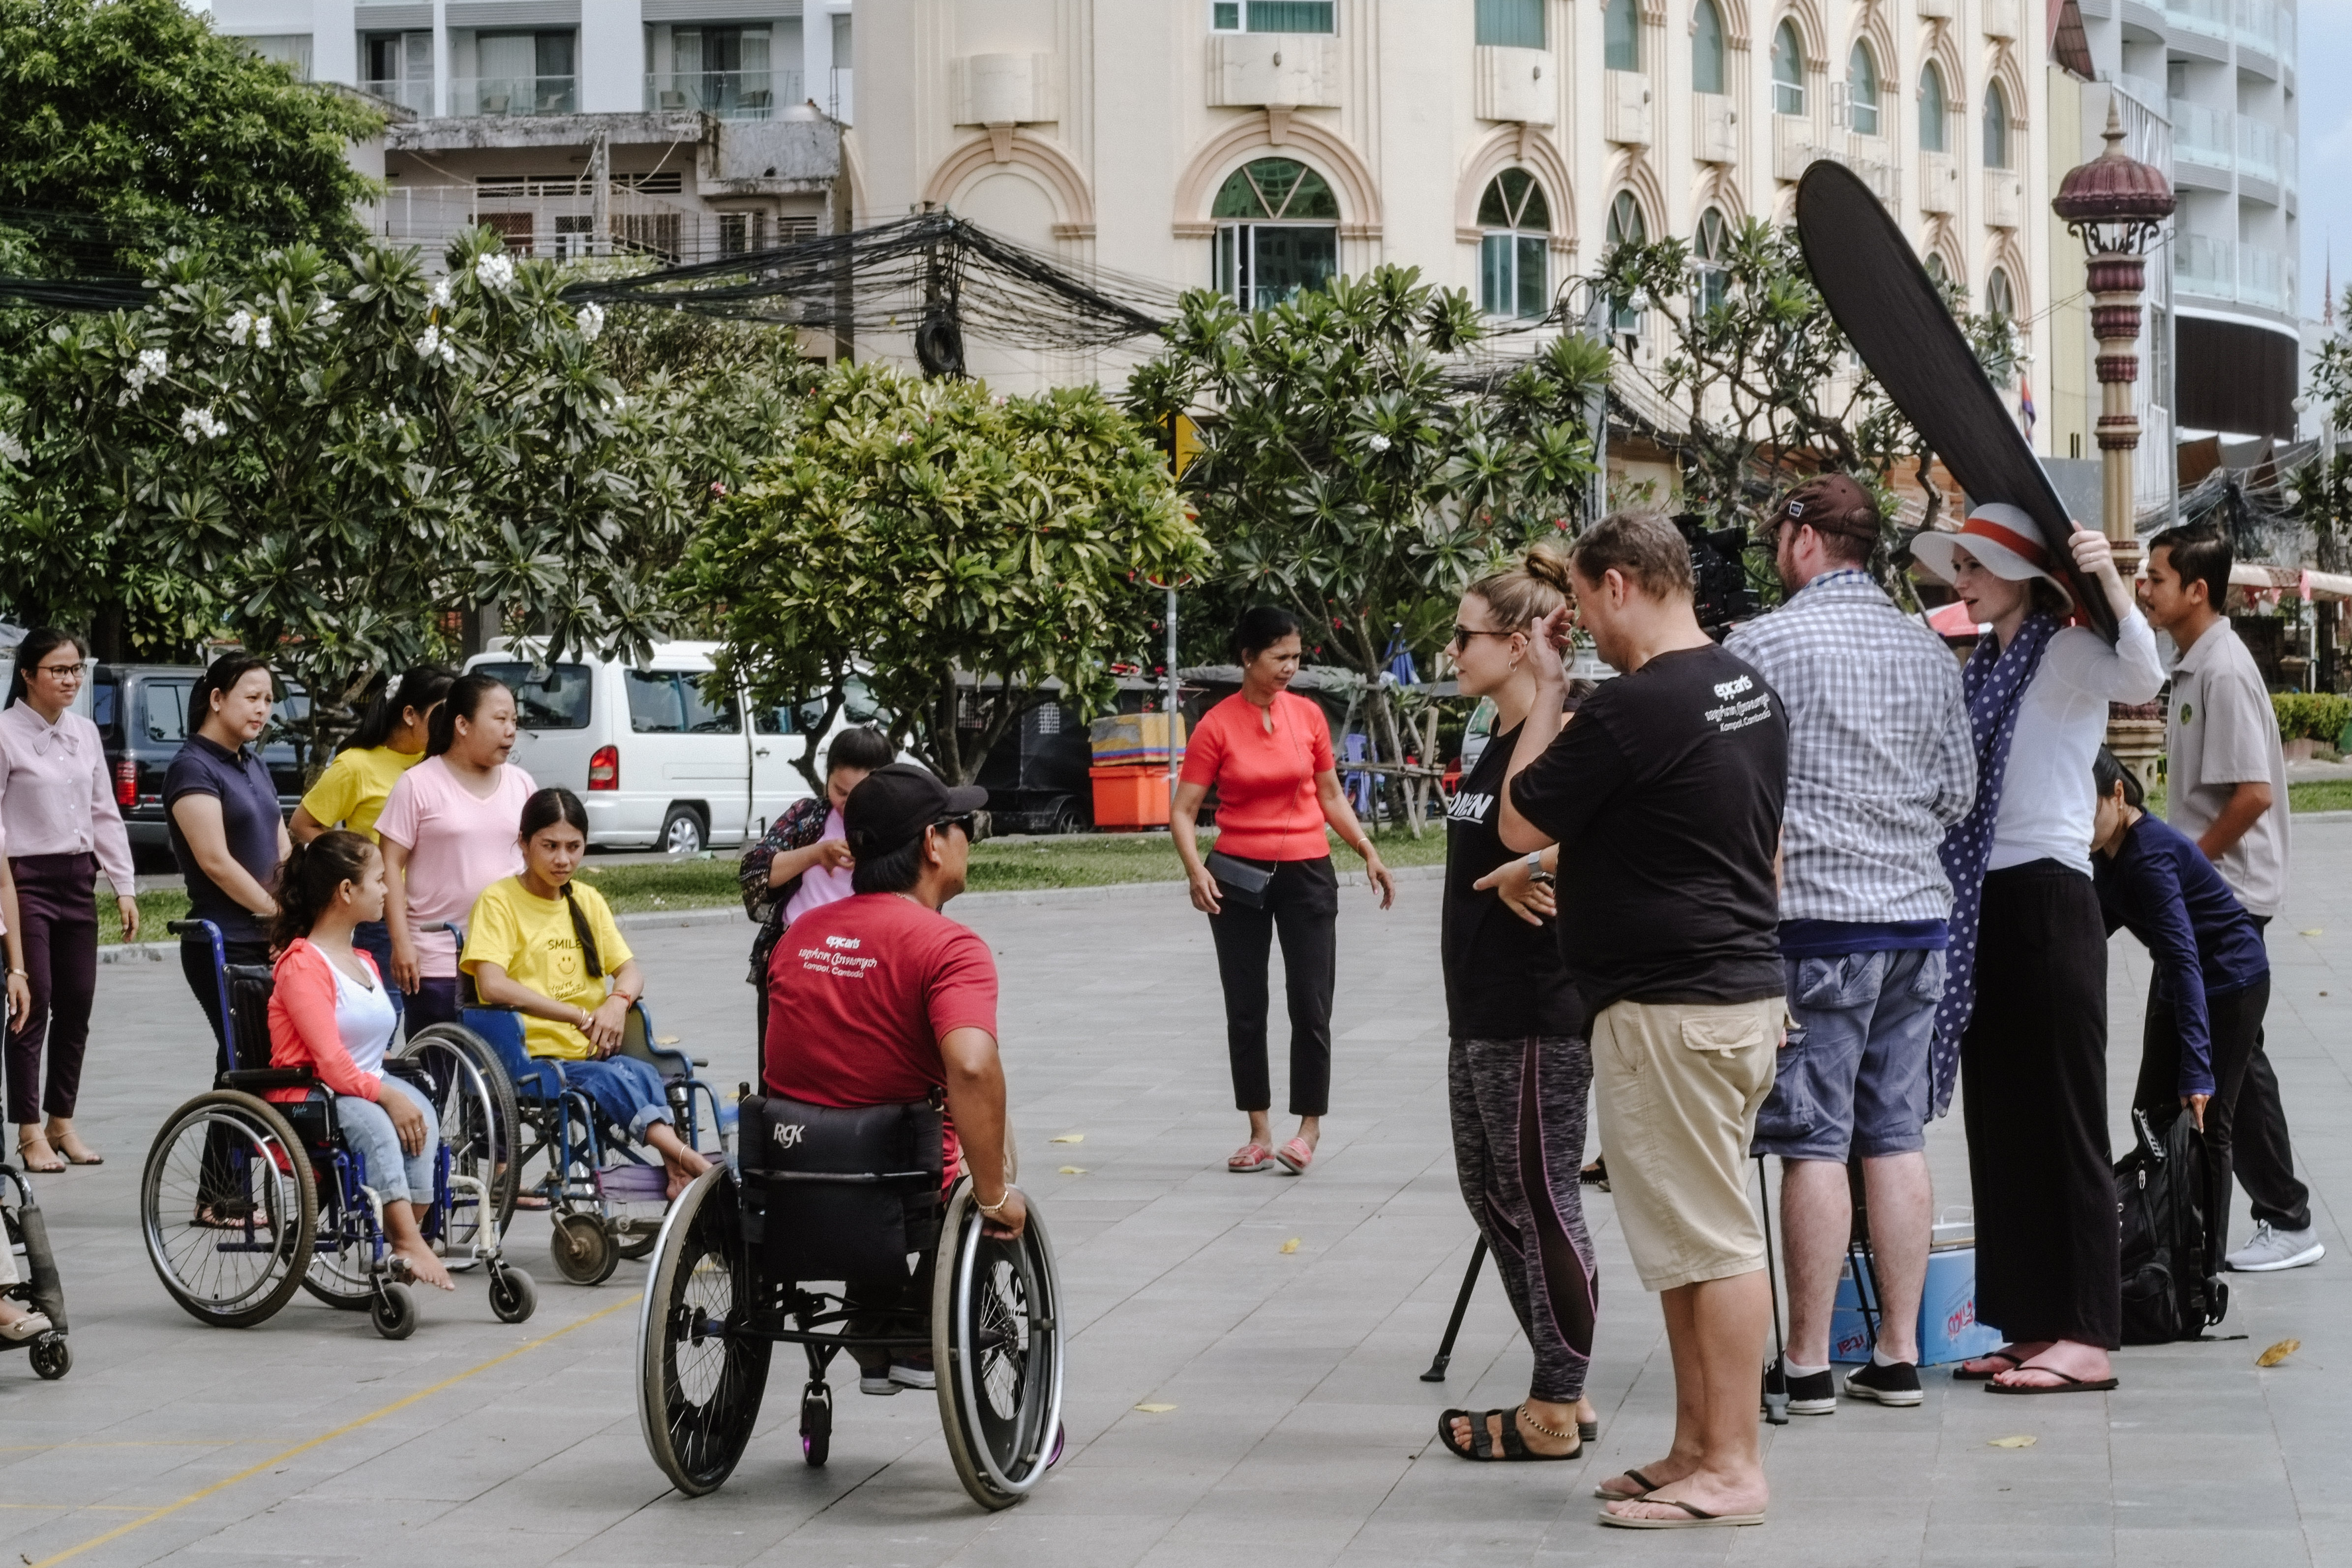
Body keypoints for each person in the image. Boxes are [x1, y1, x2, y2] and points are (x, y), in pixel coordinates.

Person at [1499, 511, 1789, 1530]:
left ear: (1619, 584)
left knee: (1713, 1242)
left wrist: (1543, 695)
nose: (1579, 624)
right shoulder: (1745, 685)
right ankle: (1697, 1444)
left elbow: (1522, 814)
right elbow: (1744, 843)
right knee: (1683, 1240)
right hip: (1729, 990)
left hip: (1677, 1007)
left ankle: (1736, 1468)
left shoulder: (1636, 708)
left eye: (1579, 603)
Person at [1721, 475, 1976, 1414]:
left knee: (1812, 1142)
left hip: (1817, 922)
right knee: (1895, 1132)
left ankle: (1805, 1361)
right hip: (1917, 919)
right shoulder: (1926, 648)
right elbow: (1957, 792)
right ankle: (1900, 1353)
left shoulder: (1762, 646)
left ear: (1802, 540)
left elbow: (1730, 784)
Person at [1909, 503, 2164, 1393]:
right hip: (1986, 900)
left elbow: (2144, 667)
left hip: (2049, 898)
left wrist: (2107, 578)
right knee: (2002, 1114)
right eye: (1959, 565)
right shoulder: (1989, 660)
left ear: (2023, 574)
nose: (1962, 578)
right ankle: (2026, 1319)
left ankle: (2085, 1331)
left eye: (1976, 564)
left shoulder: (2060, 648)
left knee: (2061, 1116)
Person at [762, 762, 1025, 1395]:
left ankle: (878, 1325)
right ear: (933, 843)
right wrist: (994, 1195)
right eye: (961, 826)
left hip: (789, 1166)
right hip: (898, 1178)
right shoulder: (949, 947)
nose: (967, 839)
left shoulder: (798, 935)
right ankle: (908, 1329)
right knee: (980, 1146)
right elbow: (969, 1063)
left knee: (876, 1118)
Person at [1428, 545, 1601, 1464]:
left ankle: (1557, 1401)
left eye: (1465, 635)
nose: (1451, 650)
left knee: (1540, 1199)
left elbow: (1625, 830)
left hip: (1538, 1005)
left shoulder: (1568, 728)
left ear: (1513, 641)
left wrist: (1531, 865)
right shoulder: (1498, 736)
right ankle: (1559, 1371)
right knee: (1490, 1193)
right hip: (1480, 1006)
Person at [2141, 522, 2322, 1273]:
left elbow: (2250, 794)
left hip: (2226, 897)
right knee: (2236, 1054)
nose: (2144, 590)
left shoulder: (2220, 671)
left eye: (2154, 579)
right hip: (2215, 894)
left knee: (2199, 1062)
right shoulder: (2193, 664)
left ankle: (2258, 1220)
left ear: (2196, 590)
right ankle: (2283, 1215)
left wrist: (2188, 866)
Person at [1170, 606, 1397, 1177]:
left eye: (1296, 657)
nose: (1290, 668)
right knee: (1246, 1007)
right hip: (1237, 876)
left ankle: (1308, 1130)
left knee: (1312, 1003)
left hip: (1308, 874)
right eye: (1279, 658)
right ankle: (1259, 1131)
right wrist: (1197, 869)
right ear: (1248, 657)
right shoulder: (1215, 725)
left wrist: (1367, 850)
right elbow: (1184, 810)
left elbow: (1330, 794)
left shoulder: (1310, 716)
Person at [461, 787, 710, 1198]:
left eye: (574, 847)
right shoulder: (499, 901)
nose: (563, 859)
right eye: (550, 846)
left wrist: (617, 1002)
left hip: (592, 1050)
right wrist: (574, 1015)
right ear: (523, 844)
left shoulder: (587, 900)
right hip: (534, 1058)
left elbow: (629, 970)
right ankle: (686, 1158)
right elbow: (492, 984)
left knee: (646, 1072)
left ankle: (676, 1167)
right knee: (610, 1079)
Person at [2088, 747, 2270, 1285]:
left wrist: (2197, 1068)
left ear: (2118, 795)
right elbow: (2092, 930)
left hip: (2231, 979)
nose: (2079, 823)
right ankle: (2156, 1239)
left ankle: (2201, 1268)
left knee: (2207, 1122)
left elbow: (2188, 957)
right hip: (2179, 977)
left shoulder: (2150, 857)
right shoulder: (2105, 853)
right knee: (2149, 1116)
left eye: (2086, 807)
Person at [264, 830, 454, 1292]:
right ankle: (408, 1242)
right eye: (379, 880)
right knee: (379, 1126)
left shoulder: (364, 960)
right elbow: (329, 1061)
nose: (388, 890)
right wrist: (387, 1095)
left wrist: (392, 1089)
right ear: (347, 891)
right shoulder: (302, 965)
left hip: (362, 1082)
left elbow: (370, 1045)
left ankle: (406, 1235)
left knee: (424, 1116)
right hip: (311, 1090)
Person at [1, 630, 137, 1170]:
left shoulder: (84, 732)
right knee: (32, 1005)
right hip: (24, 883)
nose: (71, 679)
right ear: (29, 673)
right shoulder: (6, 733)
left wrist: (123, 885)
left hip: (77, 880)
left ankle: (63, 1121)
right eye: (58, 669)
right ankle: (29, 1129)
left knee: (77, 1004)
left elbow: (105, 812)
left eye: (77, 669)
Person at [290, 665, 456, 1009]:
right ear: (410, 715)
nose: (454, 725)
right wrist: (355, 868)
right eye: (444, 714)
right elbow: (304, 824)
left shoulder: (447, 765)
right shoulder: (356, 766)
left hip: (440, 914)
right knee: (386, 1015)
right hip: (383, 916)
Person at [377, 673, 535, 1030]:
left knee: (503, 1071)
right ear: (462, 724)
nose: (511, 730)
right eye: (500, 719)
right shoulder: (417, 784)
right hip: (438, 957)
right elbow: (389, 863)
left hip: (508, 958)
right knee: (438, 1068)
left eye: (515, 721)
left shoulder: (522, 783)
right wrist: (401, 944)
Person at [167, 654, 292, 1069]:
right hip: (225, 940)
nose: (262, 709)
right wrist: (274, 916)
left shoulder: (254, 763)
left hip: (271, 937)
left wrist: (294, 915)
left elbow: (282, 849)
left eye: (269, 699)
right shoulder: (192, 767)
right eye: (252, 697)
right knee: (248, 1058)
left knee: (262, 1062)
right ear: (217, 699)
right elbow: (215, 861)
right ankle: (232, 1132)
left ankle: (234, 1135)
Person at [738, 725, 897, 1048]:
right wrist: (816, 853)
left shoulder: (898, 828)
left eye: (859, 794)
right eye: (839, 790)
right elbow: (757, 871)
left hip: (863, 969)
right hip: (796, 963)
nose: (846, 803)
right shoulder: (808, 817)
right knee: (784, 1066)